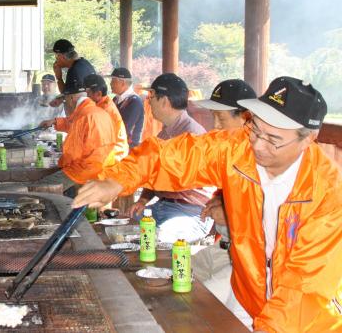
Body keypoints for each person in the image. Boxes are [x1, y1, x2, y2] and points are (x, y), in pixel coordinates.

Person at [73, 76, 342, 332]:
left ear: (308, 139)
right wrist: (117, 180)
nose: (258, 145)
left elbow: (305, 285)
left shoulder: (328, 194)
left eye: (273, 140)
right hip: (251, 293)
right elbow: (172, 156)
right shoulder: (237, 149)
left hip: (308, 320)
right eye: (255, 129)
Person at [188, 78, 257, 326]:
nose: (215, 127)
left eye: (221, 119)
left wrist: (230, 216)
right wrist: (219, 204)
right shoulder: (231, 151)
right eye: (213, 117)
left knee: (196, 305)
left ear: (246, 117)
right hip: (225, 250)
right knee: (176, 273)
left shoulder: (262, 156)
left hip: (252, 265)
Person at [126, 73, 213, 242]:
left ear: (164, 101)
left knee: (159, 236)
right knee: (125, 226)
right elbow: (153, 172)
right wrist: (143, 200)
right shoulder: (165, 133)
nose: (148, 101)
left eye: (152, 96)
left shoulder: (192, 135)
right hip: (165, 205)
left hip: (192, 212)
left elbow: (172, 178)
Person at [37, 81, 116, 193]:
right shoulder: (97, 112)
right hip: (105, 166)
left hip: (86, 169)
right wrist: (55, 122)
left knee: (42, 187)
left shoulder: (82, 116)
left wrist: (57, 162)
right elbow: (72, 123)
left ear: (71, 98)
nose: (65, 104)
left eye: (65, 100)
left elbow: (71, 154)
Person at [82, 74, 128, 164]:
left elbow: (98, 142)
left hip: (113, 156)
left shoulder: (105, 110)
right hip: (106, 153)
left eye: (88, 93)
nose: (86, 97)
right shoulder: (99, 104)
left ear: (98, 94)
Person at [48, 39, 95, 116]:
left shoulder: (74, 71)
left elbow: (70, 97)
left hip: (81, 120)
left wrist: (59, 77)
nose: (56, 60)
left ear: (60, 56)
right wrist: (61, 98)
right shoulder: (85, 64)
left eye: (56, 56)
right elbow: (70, 92)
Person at [107, 67, 144, 147]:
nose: (110, 84)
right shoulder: (116, 99)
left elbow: (125, 128)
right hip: (117, 144)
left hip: (129, 148)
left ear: (123, 83)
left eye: (113, 81)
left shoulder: (135, 101)